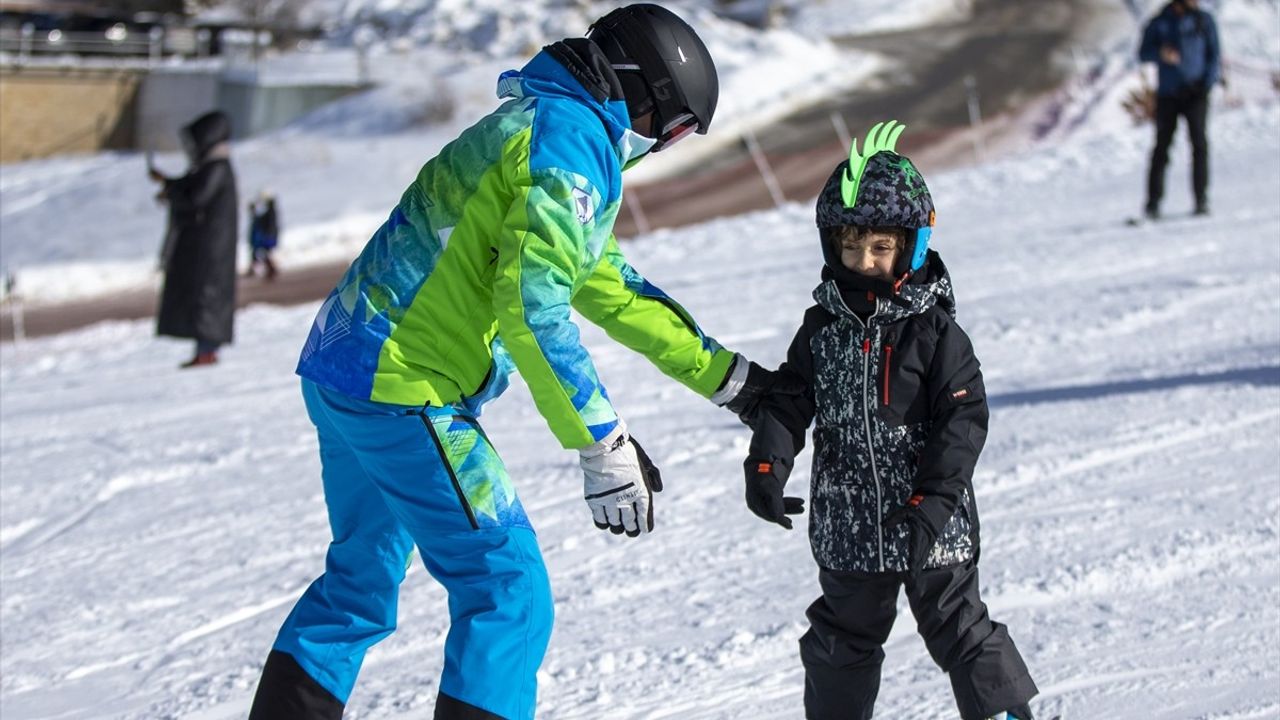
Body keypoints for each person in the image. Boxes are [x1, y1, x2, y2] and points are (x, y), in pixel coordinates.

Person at [247, 5, 786, 719]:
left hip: (346, 371)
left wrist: (735, 383)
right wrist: (602, 442)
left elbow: (606, 285)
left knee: (358, 584)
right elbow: (534, 308)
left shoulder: (543, 125)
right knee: (508, 589)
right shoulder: (571, 142)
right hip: (407, 389)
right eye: (674, 127)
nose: (663, 145)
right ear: (640, 90)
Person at [739, 121, 1039, 720]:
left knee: (958, 625)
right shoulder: (822, 329)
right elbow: (790, 401)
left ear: (911, 245)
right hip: (848, 522)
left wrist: (933, 500)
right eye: (851, 248)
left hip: (931, 520)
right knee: (840, 641)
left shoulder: (934, 332)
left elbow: (963, 421)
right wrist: (768, 464)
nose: (865, 262)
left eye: (880, 249)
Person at [151, 110, 238, 368]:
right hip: (206, 248)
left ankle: (207, 351)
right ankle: (204, 349)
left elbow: (195, 197)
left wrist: (172, 190)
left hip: (211, 251)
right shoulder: (211, 167)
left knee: (207, 300)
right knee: (202, 299)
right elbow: (192, 188)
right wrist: (169, 184)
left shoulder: (218, 167)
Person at [1139, 0, 1220, 219]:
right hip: (1169, 94)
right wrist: (1160, 54)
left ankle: (1201, 199)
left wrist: (1206, 86)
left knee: (1199, 145)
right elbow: (1143, 53)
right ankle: (1153, 204)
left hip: (1196, 94)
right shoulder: (1159, 22)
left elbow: (1214, 56)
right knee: (1161, 148)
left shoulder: (1203, 21)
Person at [246, 191, 280, 280]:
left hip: (268, 236)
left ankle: (271, 270)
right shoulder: (271, 212)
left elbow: (266, 223)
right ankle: (269, 270)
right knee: (263, 254)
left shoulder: (270, 213)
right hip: (269, 236)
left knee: (263, 254)